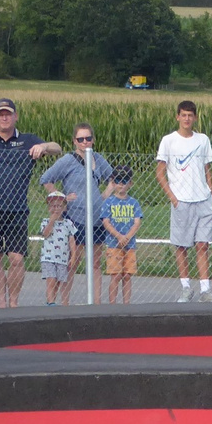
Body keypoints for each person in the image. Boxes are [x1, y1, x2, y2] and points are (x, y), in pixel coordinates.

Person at [0, 98, 61, 308]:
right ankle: (1, 303)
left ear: (16, 116)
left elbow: (57, 148)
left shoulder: (27, 140)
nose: (5, 117)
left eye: (8, 113)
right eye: (0, 114)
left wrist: (42, 146)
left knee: (16, 258)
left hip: (17, 209)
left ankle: (13, 302)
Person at [39, 122, 114, 305]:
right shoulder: (68, 160)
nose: (85, 142)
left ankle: (96, 303)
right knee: (72, 262)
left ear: (93, 140)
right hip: (76, 218)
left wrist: (104, 195)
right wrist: (61, 199)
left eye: (88, 138)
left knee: (96, 263)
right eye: (80, 139)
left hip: (96, 218)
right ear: (74, 141)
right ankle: (65, 303)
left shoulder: (98, 158)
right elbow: (46, 179)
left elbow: (113, 178)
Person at [156, 100, 212, 303]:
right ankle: (185, 287)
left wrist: (210, 189)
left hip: (203, 200)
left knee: (202, 245)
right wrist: (173, 198)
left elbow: (207, 168)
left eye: (190, 115)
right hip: (181, 200)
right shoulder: (169, 141)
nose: (187, 119)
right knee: (181, 245)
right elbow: (160, 172)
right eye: (183, 115)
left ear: (195, 117)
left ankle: (205, 289)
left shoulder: (202, 140)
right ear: (177, 117)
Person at [100, 166, 142, 305]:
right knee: (116, 275)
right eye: (118, 180)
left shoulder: (134, 203)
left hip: (129, 245)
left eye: (125, 181)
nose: (121, 184)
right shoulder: (108, 202)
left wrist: (127, 237)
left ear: (130, 183)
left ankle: (126, 304)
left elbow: (137, 222)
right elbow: (106, 221)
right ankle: (113, 304)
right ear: (113, 182)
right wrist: (119, 236)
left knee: (127, 275)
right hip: (114, 244)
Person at [38, 193, 78, 307]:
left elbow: (72, 241)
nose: (56, 209)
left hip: (62, 258)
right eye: (53, 206)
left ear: (64, 207)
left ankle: (54, 301)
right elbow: (45, 234)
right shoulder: (46, 221)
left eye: (59, 206)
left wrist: (73, 255)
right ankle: (51, 302)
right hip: (48, 257)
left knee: (58, 282)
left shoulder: (68, 224)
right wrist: (52, 221)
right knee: (51, 280)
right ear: (49, 207)